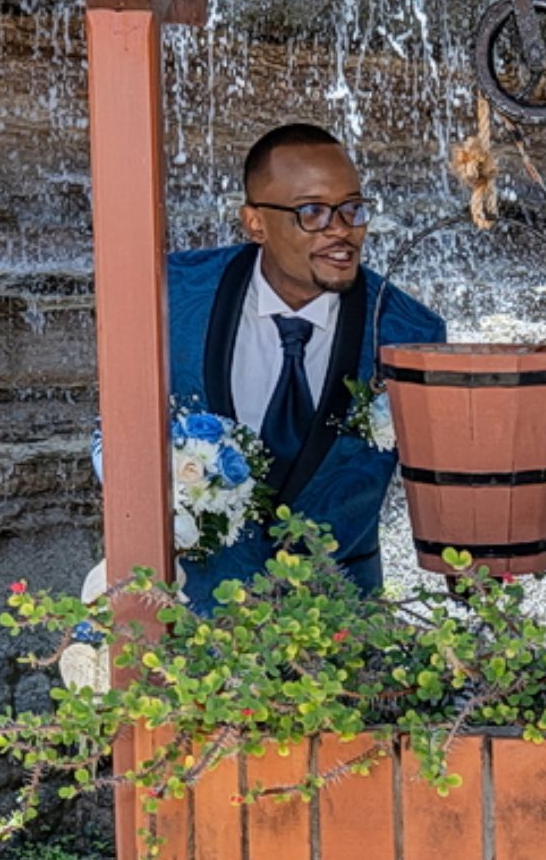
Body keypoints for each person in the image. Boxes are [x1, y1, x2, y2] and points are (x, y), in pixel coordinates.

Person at [161, 123, 447, 609]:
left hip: (341, 624)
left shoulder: (411, 333)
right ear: (255, 223)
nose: (342, 230)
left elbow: (445, 488)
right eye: (312, 211)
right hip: (189, 621)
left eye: (352, 208)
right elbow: (114, 431)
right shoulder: (169, 292)